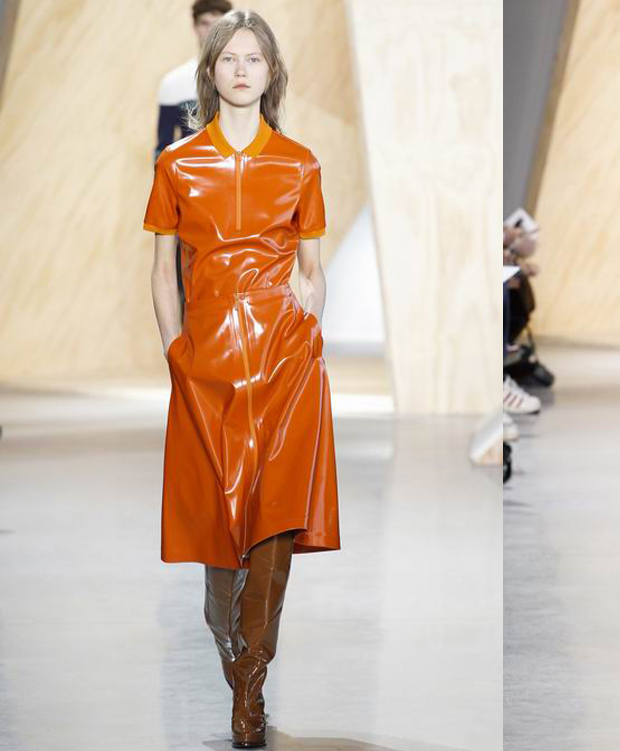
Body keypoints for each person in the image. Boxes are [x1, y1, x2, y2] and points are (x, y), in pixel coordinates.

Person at [142, 9, 340, 748]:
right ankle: (234, 647)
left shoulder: (299, 164)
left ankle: (251, 682)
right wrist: (176, 352)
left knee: (274, 515)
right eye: (230, 57)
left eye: (255, 58)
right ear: (212, 70)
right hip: (207, 365)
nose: (242, 69)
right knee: (219, 527)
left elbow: (312, 268)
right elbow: (163, 271)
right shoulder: (177, 164)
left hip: (285, 359)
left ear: (271, 72)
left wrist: (309, 320)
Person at [154, 0, 233, 315]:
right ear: (195, 27)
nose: (211, 30)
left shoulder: (245, 80)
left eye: (218, 23)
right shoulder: (174, 84)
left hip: (235, 198)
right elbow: (162, 151)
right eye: (205, 23)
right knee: (187, 286)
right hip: (189, 203)